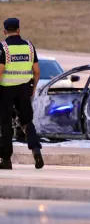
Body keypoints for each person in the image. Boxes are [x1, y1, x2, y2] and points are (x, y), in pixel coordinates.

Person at [0, 18, 44, 170]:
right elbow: (37, 72)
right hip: (24, 89)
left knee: (5, 124)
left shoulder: (3, 48)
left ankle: (6, 160)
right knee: (27, 121)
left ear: (5, 31)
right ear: (19, 30)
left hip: (6, 91)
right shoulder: (29, 47)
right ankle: (36, 151)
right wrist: (32, 88)